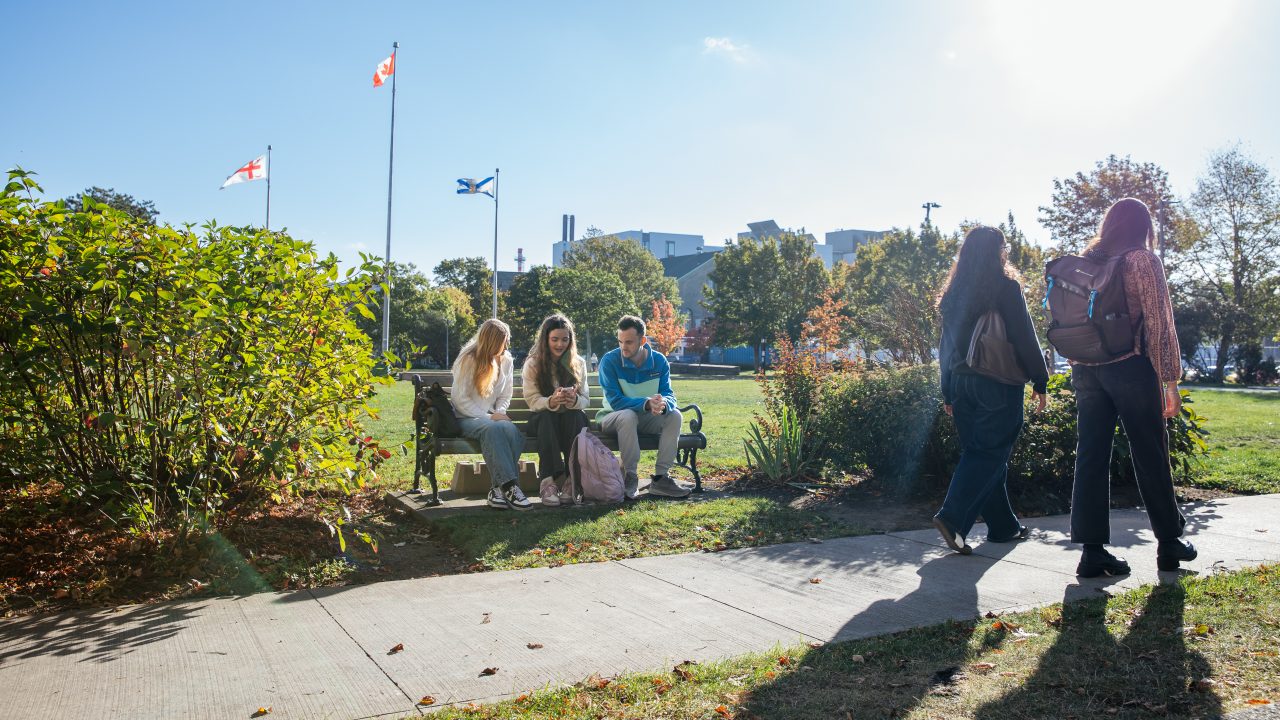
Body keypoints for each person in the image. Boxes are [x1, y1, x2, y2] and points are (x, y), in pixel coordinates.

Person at [1069, 198, 1195, 577]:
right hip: (1130, 367)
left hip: (1088, 370)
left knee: (1090, 455)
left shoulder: (1086, 260)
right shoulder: (1142, 260)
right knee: (1150, 452)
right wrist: (1170, 380)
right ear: (1144, 227)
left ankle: (1092, 553)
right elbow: (1159, 323)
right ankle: (1169, 542)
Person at [934, 226, 1049, 554]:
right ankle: (952, 518)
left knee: (985, 454)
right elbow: (1024, 336)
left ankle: (1003, 526)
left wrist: (947, 392)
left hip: (960, 384)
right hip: (996, 383)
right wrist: (1040, 380)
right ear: (998, 252)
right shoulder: (1005, 288)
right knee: (988, 453)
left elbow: (945, 348)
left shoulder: (953, 294)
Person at [597, 315, 691, 499]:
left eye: (629, 342)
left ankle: (661, 479)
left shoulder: (659, 361)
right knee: (627, 416)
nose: (623, 347)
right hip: (612, 417)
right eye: (620, 341)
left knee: (675, 416)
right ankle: (630, 476)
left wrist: (663, 405)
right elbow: (615, 401)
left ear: (643, 340)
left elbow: (669, 394)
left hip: (644, 417)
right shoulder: (609, 361)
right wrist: (646, 403)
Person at [451, 318, 531, 511]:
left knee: (511, 431)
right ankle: (510, 487)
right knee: (494, 429)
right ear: (491, 341)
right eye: (502, 341)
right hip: (466, 418)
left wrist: (500, 413)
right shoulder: (469, 359)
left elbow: (506, 393)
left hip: (493, 419)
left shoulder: (506, 360)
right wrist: (488, 417)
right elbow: (460, 400)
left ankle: (497, 490)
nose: (506, 345)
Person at [522, 313, 591, 507]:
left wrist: (573, 400)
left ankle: (571, 481)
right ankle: (547, 481)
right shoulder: (533, 364)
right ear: (545, 339)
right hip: (543, 420)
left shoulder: (578, 363)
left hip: (570, 418)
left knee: (575, 416)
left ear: (570, 340)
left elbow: (585, 400)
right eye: (554, 339)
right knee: (546, 418)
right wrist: (551, 401)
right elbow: (532, 400)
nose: (560, 344)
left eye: (564, 339)